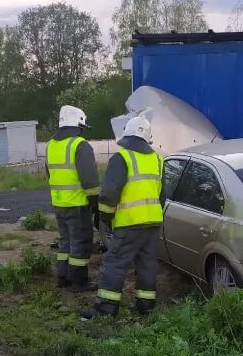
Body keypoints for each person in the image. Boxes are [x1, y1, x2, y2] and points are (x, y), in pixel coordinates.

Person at [81, 116, 163, 320]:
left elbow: (109, 193)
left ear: (127, 135)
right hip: (153, 222)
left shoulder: (122, 157)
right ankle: (146, 307)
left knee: (115, 263)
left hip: (129, 223)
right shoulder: (157, 159)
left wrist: (105, 218)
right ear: (147, 138)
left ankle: (106, 309)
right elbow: (162, 193)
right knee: (147, 265)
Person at [46, 105, 100, 291]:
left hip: (59, 203)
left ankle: (62, 277)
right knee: (81, 242)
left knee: (65, 241)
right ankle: (79, 282)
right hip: (78, 204)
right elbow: (90, 180)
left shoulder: (51, 145)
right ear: (78, 125)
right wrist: (95, 204)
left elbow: (49, 173)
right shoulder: (80, 145)